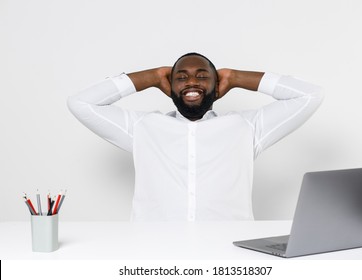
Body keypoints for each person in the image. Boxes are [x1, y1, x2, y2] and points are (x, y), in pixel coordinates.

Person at [67, 52, 323, 221]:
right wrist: (153, 76)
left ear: (217, 85)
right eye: (181, 77)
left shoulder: (245, 127)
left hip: (229, 255)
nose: (192, 82)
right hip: (153, 254)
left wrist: (235, 77)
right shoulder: (144, 127)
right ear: (170, 86)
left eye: (203, 76)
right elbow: (81, 103)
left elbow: (310, 95)